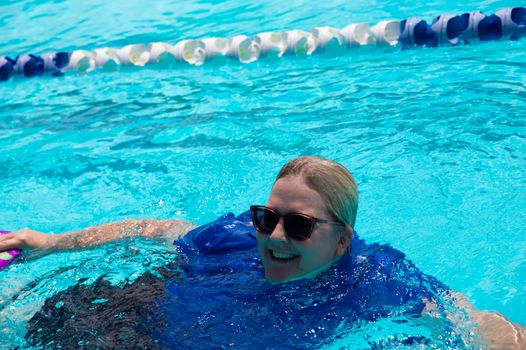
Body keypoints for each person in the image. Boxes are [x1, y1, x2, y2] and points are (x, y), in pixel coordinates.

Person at [1, 156, 524, 349]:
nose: (273, 237)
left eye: (298, 226)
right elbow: (154, 228)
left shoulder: (374, 278)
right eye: (266, 217)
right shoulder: (233, 236)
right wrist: (51, 243)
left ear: (341, 240)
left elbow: (476, 321)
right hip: (138, 312)